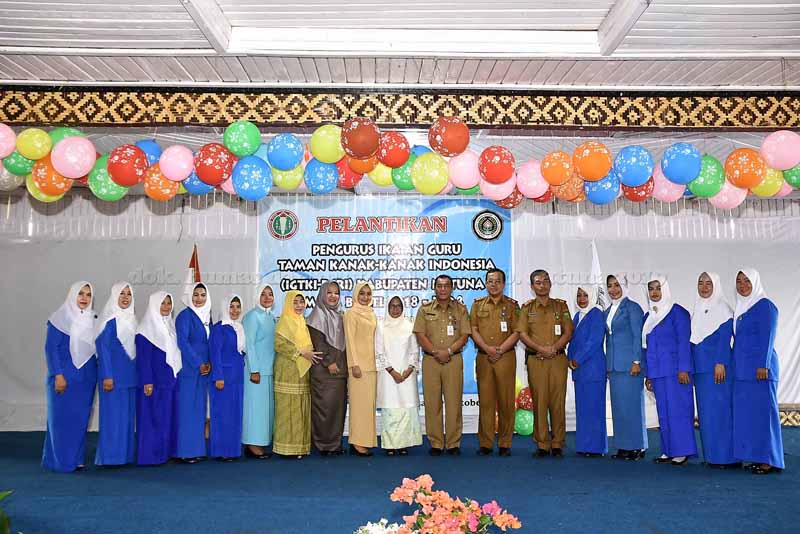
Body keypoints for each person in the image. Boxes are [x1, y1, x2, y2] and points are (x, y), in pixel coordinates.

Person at [515, 270, 573, 458]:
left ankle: (557, 443)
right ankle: (542, 443)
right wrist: (540, 348)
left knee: (557, 402)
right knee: (539, 402)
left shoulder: (561, 306)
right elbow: (522, 334)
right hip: (536, 360)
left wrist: (554, 348)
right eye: (538, 282)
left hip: (557, 359)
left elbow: (568, 332)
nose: (542, 285)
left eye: (546, 281)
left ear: (550, 284)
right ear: (532, 286)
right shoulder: (527, 308)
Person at [732, 269, 784, 475]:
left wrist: (763, 365)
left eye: (747, 281)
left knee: (765, 415)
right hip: (744, 371)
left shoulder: (765, 306)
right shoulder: (742, 307)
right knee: (751, 415)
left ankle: (770, 460)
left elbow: (768, 335)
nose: (743, 285)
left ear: (755, 282)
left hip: (761, 370)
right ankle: (757, 456)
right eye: (739, 281)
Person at [42, 282, 97, 473]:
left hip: (86, 379)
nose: (84, 298)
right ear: (72, 295)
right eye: (80, 293)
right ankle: (61, 462)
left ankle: (76, 459)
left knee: (80, 420)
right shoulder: (59, 319)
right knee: (61, 421)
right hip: (64, 378)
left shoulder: (92, 319)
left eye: (88, 295)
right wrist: (58, 375)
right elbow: (51, 349)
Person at [413, 274, 471, 456]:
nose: (443, 289)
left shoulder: (461, 309)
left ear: (452, 288)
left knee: (454, 403)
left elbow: (465, 335)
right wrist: (436, 352)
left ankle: (453, 443)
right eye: (439, 285)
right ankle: (436, 443)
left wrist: (449, 351)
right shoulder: (425, 310)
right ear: (435, 288)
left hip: (453, 360)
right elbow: (420, 334)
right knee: (432, 403)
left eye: (446, 286)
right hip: (431, 361)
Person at [642, 275, 697, 466]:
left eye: (658, 288)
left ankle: (683, 451)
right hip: (657, 372)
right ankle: (668, 449)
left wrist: (684, 368)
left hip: (676, 371)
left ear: (665, 289)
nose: (654, 292)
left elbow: (684, 342)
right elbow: (646, 348)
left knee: (679, 411)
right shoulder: (648, 316)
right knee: (664, 413)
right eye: (651, 289)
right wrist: (649, 375)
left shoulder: (677, 312)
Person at [470, 269, 519, 457]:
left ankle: (505, 443)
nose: (493, 285)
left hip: (505, 357)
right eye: (490, 281)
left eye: (497, 281)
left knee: (506, 401)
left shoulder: (513, 306)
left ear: (504, 284)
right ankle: (486, 443)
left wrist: (500, 350)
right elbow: (473, 329)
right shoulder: (477, 305)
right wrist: (487, 348)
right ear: (485, 284)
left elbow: (517, 331)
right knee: (486, 402)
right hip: (484, 358)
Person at [690, 272, 737, 469]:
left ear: (716, 285)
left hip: (717, 369)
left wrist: (720, 362)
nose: (704, 287)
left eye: (708, 283)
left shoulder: (723, 308)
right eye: (700, 283)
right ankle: (712, 456)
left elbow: (725, 338)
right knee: (706, 414)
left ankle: (727, 458)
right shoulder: (698, 307)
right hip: (701, 370)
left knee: (721, 413)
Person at [604, 274, 647, 461]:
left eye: (617, 285)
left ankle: (636, 446)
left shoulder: (633, 308)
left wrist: (637, 361)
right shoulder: (607, 311)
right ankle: (623, 446)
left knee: (632, 407)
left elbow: (638, 336)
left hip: (630, 365)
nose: (613, 289)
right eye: (610, 286)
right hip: (614, 366)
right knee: (619, 408)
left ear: (624, 286)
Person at [94, 282, 137, 467]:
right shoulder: (108, 320)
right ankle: (110, 457)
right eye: (122, 293)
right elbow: (103, 349)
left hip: (130, 377)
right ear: (114, 296)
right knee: (112, 418)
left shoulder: (133, 320)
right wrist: (107, 376)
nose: (125, 297)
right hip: (113, 378)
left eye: (128, 294)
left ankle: (124, 456)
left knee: (126, 419)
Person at [135, 291, 181, 466]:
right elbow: (144, 359)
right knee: (152, 419)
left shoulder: (170, 326)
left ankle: (164, 452)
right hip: (154, 382)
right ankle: (150, 456)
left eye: (169, 303)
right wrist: (147, 381)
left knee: (166, 418)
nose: (166, 306)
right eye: (163, 303)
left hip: (170, 379)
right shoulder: (145, 329)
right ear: (154, 304)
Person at [273, 291, 320, 458]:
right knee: (287, 410)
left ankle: (299, 447)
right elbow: (279, 344)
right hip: (287, 369)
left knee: (300, 408)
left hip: (302, 371)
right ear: (288, 303)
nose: (299, 305)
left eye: (301, 302)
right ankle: (285, 449)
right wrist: (301, 352)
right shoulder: (284, 320)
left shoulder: (302, 321)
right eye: (295, 302)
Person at [375, 296, 422, 456]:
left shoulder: (409, 326)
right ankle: (390, 445)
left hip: (407, 376)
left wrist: (408, 370)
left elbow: (414, 351)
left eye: (398, 306)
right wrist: (392, 372)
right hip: (388, 375)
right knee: (391, 410)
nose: (395, 309)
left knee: (406, 410)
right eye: (392, 306)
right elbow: (379, 352)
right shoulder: (381, 327)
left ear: (403, 308)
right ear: (387, 308)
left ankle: (404, 444)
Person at [306, 281, 348, 456]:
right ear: (322, 294)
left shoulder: (341, 316)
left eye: (336, 293)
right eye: (329, 292)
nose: (333, 296)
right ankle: (323, 445)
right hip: (324, 371)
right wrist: (329, 362)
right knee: (324, 409)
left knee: (337, 409)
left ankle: (334, 444)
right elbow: (318, 343)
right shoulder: (316, 316)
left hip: (340, 371)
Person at [568, 285, 608, 457]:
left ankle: (596, 448)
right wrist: (569, 359)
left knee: (594, 410)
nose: (582, 299)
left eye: (585, 295)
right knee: (583, 410)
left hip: (593, 370)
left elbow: (594, 341)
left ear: (592, 296)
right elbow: (572, 341)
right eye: (579, 295)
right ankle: (584, 446)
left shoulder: (596, 314)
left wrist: (577, 359)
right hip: (580, 371)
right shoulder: (577, 316)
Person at [175, 282, 212, 463]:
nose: (199, 298)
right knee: (187, 409)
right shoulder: (184, 316)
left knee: (199, 409)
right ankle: (185, 451)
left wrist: (209, 363)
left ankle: (196, 450)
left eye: (203, 295)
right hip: (189, 369)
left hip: (204, 370)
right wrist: (198, 363)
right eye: (195, 294)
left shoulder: (208, 316)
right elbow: (183, 342)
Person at [209, 294, 246, 461]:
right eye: (231, 306)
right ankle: (221, 450)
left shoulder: (239, 327)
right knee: (222, 414)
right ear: (225, 307)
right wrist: (218, 376)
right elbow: (215, 353)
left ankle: (233, 450)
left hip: (237, 376)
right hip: (223, 378)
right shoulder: (219, 328)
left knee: (234, 414)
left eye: (238, 306)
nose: (235, 310)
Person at [242, 283, 276, 459]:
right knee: (255, 409)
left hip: (269, 371)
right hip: (256, 373)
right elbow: (249, 345)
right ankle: (252, 444)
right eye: (263, 294)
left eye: (270, 294)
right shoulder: (252, 316)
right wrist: (254, 369)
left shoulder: (271, 317)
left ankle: (261, 442)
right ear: (257, 296)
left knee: (265, 411)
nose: (267, 297)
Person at [344, 282, 378, 457]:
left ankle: (364, 440)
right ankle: (357, 442)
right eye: (362, 293)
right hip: (358, 368)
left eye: (368, 294)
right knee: (358, 407)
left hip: (372, 366)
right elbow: (349, 340)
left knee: (368, 408)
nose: (365, 297)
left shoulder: (371, 314)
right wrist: (353, 364)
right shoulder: (350, 314)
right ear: (356, 295)